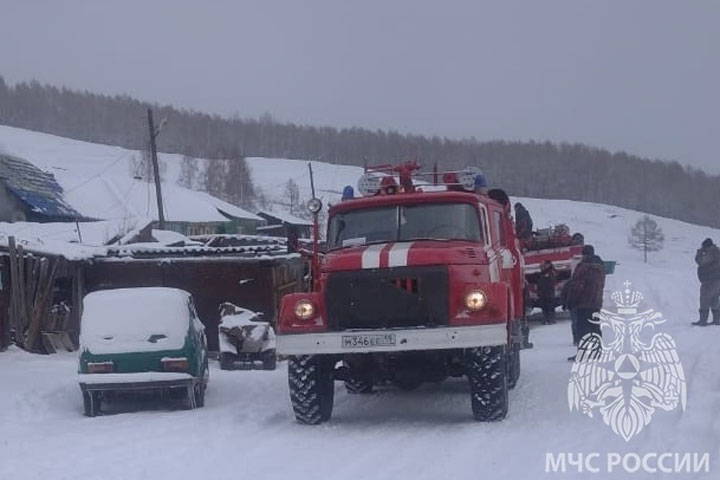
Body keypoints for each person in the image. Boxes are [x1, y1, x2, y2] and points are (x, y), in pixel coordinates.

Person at [565, 244, 606, 361]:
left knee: (582, 329)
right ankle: (596, 351)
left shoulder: (583, 267)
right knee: (595, 326)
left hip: (583, 303)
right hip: (596, 302)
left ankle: (582, 353)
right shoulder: (600, 266)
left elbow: (577, 285)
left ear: (583, 254)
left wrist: (571, 300)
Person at [691, 238, 720, 326]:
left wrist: (699, 252)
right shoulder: (717, 251)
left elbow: (701, 261)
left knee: (704, 299)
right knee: (714, 299)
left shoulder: (711, 252)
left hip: (710, 280)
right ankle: (717, 320)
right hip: (717, 280)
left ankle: (703, 321)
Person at [536, 260, 557, 325]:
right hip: (544, 293)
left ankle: (550, 319)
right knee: (544, 307)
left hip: (548, 293)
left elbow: (548, 283)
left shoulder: (550, 273)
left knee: (549, 306)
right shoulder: (543, 273)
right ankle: (547, 319)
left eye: (542, 266)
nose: (541, 267)